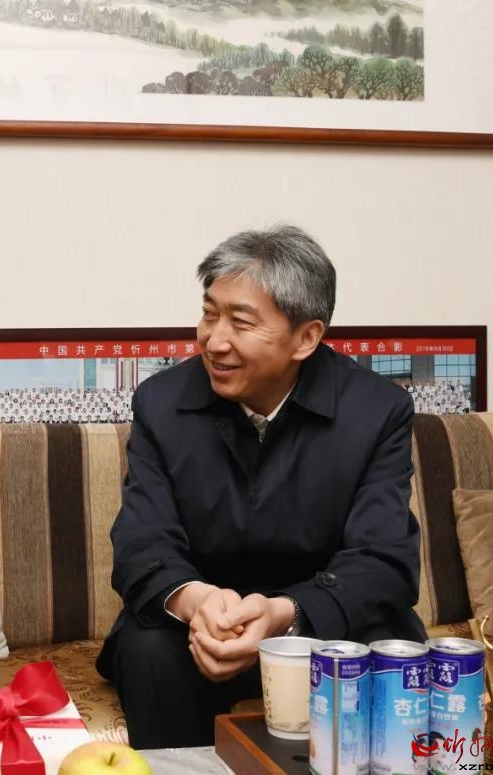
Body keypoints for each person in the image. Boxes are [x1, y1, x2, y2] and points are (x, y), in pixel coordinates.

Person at [96, 224, 425, 748]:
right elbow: (142, 540)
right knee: (148, 649)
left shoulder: (376, 411)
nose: (214, 340)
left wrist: (283, 614)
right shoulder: (162, 403)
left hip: (321, 620)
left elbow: (384, 559)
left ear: (306, 337)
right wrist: (197, 602)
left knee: (387, 647)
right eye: (209, 314)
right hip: (201, 627)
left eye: (241, 322)